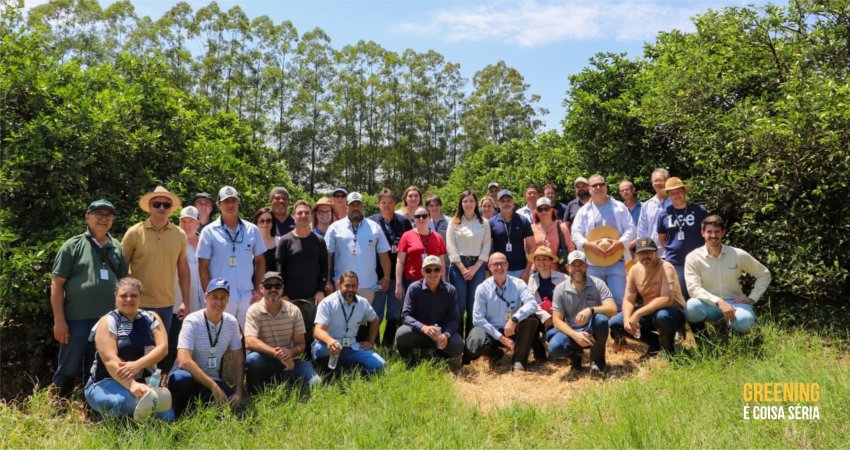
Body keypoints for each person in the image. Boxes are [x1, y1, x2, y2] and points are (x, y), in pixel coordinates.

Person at [51, 199, 128, 397]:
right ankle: (58, 407)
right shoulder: (73, 245)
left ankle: (92, 409)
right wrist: (59, 321)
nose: (103, 219)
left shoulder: (117, 247)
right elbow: (57, 284)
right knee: (68, 365)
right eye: (98, 214)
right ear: (87, 216)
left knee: (97, 367)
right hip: (76, 319)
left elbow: (123, 285)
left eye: (108, 215)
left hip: (107, 322)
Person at [84, 277, 174, 421]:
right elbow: (110, 360)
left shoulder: (151, 317)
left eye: (133, 295)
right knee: (126, 402)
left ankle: (141, 425)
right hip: (105, 382)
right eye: (123, 295)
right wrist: (131, 384)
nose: (128, 299)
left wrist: (136, 365)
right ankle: (114, 426)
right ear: (115, 297)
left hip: (145, 384)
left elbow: (163, 349)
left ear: (140, 298)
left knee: (167, 416)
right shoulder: (108, 321)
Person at [168, 278, 243, 418]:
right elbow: (184, 361)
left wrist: (239, 391)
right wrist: (214, 387)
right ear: (206, 297)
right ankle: (179, 415)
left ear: (228, 300)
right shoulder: (192, 321)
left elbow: (238, 357)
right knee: (181, 379)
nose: (218, 302)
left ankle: (200, 408)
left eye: (223, 298)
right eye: (214, 297)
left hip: (211, 379)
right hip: (188, 377)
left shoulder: (231, 322)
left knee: (234, 407)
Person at [684, 215, 771, 336]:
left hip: (735, 303)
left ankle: (733, 329)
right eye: (709, 232)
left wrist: (752, 297)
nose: (713, 236)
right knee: (691, 307)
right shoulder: (693, 257)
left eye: (717, 232)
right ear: (702, 233)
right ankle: (704, 338)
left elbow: (764, 274)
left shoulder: (737, 254)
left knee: (745, 323)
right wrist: (719, 302)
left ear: (723, 233)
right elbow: (693, 289)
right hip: (709, 304)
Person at [123, 186, 189, 333]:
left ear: (171, 208)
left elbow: (184, 270)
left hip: (166, 305)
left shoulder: (180, 235)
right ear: (149, 206)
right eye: (156, 204)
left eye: (166, 204)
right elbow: (121, 268)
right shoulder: (134, 232)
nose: (161, 207)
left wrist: (186, 301)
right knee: (133, 351)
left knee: (160, 351)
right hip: (136, 303)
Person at [198, 186, 266, 327]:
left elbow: (260, 260)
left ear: (238, 203)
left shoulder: (252, 229)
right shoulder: (208, 231)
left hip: (248, 296)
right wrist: (210, 294)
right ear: (219, 205)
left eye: (233, 201)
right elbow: (203, 267)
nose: (230, 205)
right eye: (226, 201)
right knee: (220, 338)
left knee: (248, 338)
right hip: (221, 297)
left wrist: (258, 290)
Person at [244, 272, 321, 394]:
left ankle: (286, 383)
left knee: (316, 383)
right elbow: (249, 341)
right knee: (253, 360)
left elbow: (301, 344)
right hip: (266, 360)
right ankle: (255, 394)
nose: (273, 289)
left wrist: (290, 352)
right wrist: (277, 354)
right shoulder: (254, 311)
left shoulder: (293, 310)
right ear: (261, 288)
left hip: (290, 360)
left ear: (282, 288)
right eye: (268, 286)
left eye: (277, 285)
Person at [609, 238, 685, 356]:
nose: (645, 256)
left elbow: (666, 299)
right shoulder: (634, 270)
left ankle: (669, 349)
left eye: (648, 252)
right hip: (649, 312)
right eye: (641, 253)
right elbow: (628, 299)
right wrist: (627, 320)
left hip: (672, 312)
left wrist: (637, 314)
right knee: (615, 323)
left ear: (656, 253)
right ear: (636, 255)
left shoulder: (666, 267)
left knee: (662, 316)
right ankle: (655, 343)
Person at [465, 253, 540, 371]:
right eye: (495, 264)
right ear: (489, 267)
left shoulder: (518, 283)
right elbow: (478, 320)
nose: (499, 267)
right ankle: (495, 354)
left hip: (513, 329)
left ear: (507, 265)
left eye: (502, 264)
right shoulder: (482, 288)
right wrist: (501, 338)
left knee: (530, 321)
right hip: (492, 332)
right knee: (474, 344)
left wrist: (514, 319)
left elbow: (532, 304)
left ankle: (519, 360)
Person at [546, 251, 617, 375]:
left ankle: (597, 361)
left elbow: (612, 308)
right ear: (568, 267)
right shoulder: (560, 289)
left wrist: (591, 310)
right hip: (572, 331)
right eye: (574, 265)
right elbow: (557, 321)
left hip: (591, 329)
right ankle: (575, 355)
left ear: (586, 267)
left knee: (601, 319)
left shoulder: (598, 283)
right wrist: (575, 335)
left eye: (581, 265)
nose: (577, 269)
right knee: (554, 348)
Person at [570, 174, 635, 309]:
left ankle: (620, 327)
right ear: (589, 189)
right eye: (595, 185)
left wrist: (620, 243)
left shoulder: (619, 207)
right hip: (593, 264)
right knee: (594, 300)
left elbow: (631, 228)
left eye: (601, 184)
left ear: (606, 187)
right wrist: (588, 245)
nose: (599, 187)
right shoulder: (583, 211)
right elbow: (575, 233)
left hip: (617, 261)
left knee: (620, 298)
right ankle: (600, 329)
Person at [277, 200, 329, 352]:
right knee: (292, 335)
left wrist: (320, 290)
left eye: (307, 212)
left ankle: (313, 363)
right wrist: (284, 294)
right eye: (300, 213)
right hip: (291, 299)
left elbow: (324, 269)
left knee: (311, 334)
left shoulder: (319, 241)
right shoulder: (285, 241)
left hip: (313, 298)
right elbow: (280, 269)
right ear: (294, 217)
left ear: (311, 216)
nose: (304, 215)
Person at [312, 272, 386, 374]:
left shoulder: (362, 302)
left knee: (380, 365)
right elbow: (317, 330)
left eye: (353, 286)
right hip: (330, 347)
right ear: (339, 284)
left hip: (351, 346)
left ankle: (346, 368)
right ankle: (331, 369)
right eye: (347, 286)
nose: (350, 289)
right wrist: (330, 341)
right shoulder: (327, 303)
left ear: (358, 285)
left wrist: (371, 342)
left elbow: (375, 320)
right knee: (321, 349)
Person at [326, 192, 391, 303]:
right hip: (342, 284)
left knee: (363, 319)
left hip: (368, 286)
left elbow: (384, 255)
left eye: (358, 205)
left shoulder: (375, 227)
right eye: (352, 205)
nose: (355, 208)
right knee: (343, 318)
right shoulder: (334, 228)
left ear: (363, 207)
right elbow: (328, 257)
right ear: (346, 207)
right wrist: (327, 280)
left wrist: (387, 277)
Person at [396, 256, 464, 363]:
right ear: (422, 272)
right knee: (401, 334)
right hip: (420, 332)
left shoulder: (450, 290)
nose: (433, 273)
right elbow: (405, 315)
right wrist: (423, 328)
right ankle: (410, 360)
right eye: (428, 270)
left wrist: (446, 334)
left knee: (458, 346)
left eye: (436, 269)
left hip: (441, 334)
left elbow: (454, 318)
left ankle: (439, 355)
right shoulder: (414, 288)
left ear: (441, 271)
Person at [368, 188, 412, 346]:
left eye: (390, 202)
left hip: (397, 277)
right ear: (378, 204)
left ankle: (388, 345)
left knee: (394, 313)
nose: (387, 205)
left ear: (395, 203)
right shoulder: (371, 222)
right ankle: (375, 344)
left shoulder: (404, 222)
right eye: (383, 202)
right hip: (376, 277)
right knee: (375, 312)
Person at [165, 206, 205, 372]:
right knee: (174, 340)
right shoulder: (172, 240)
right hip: (178, 302)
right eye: (183, 221)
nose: (187, 225)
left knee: (197, 342)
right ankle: (168, 378)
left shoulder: (206, 241)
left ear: (198, 223)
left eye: (191, 221)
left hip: (202, 302)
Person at [446, 191, 491, 338]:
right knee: (459, 306)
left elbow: (486, 245)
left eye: (471, 201)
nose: (468, 204)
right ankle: (457, 341)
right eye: (465, 201)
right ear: (461, 204)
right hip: (458, 267)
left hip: (477, 267)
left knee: (474, 306)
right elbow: (450, 246)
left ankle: (471, 344)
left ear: (476, 203)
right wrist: (462, 268)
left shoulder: (484, 222)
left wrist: (475, 267)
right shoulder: (454, 222)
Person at [656, 177, 708, 298]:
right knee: (680, 296)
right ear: (668, 196)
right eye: (672, 193)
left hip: (699, 260)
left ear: (684, 192)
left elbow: (708, 233)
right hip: (675, 262)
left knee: (701, 294)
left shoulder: (699, 210)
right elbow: (662, 237)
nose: (676, 195)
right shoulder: (664, 214)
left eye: (679, 192)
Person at [395, 206, 448, 300]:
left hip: (434, 281)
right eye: (418, 216)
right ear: (413, 219)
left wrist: (443, 281)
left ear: (429, 218)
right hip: (411, 282)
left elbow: (442, 262)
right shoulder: (406, 236)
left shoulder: (438, 237)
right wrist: (398, 284)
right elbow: (400, 262)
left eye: (424, 216)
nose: (421, 218)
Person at [489, 189, 534, 281]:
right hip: (499, 269)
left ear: (513, 202)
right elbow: (487, 248)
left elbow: (532, 246)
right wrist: (490, 270)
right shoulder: (491, 222)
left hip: (520, 269)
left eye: (508, 200)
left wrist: (527, 270)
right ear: (497, 203)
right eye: (503, 201)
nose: (506, 203)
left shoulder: (523, 221)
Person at [531, 197, 574, 273]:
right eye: (540, 209)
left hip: (558, 271)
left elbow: (571, 249)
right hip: (537, 271)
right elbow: (527, 250)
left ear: (551, 210)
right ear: (536, 211)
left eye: (546, 208)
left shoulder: (562, 227)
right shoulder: (531, 228)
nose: (543, 212)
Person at [635, 168, 671, 256]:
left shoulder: (674, 203)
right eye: (656, 181)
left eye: (661, 181)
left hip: (672, 253)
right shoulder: (646, 206)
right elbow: (642, 232)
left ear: (667, 182)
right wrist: (643, 250)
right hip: (653, 254)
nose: (658, 184)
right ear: (652, 183)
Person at [253, 207, 279, 275]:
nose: (265, 224)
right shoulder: (249, 243)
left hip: (275, 284)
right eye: (261, 221)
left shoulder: (280, 242)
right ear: (256, 223)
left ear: (273, 223)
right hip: (254, 284)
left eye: (269, 220)